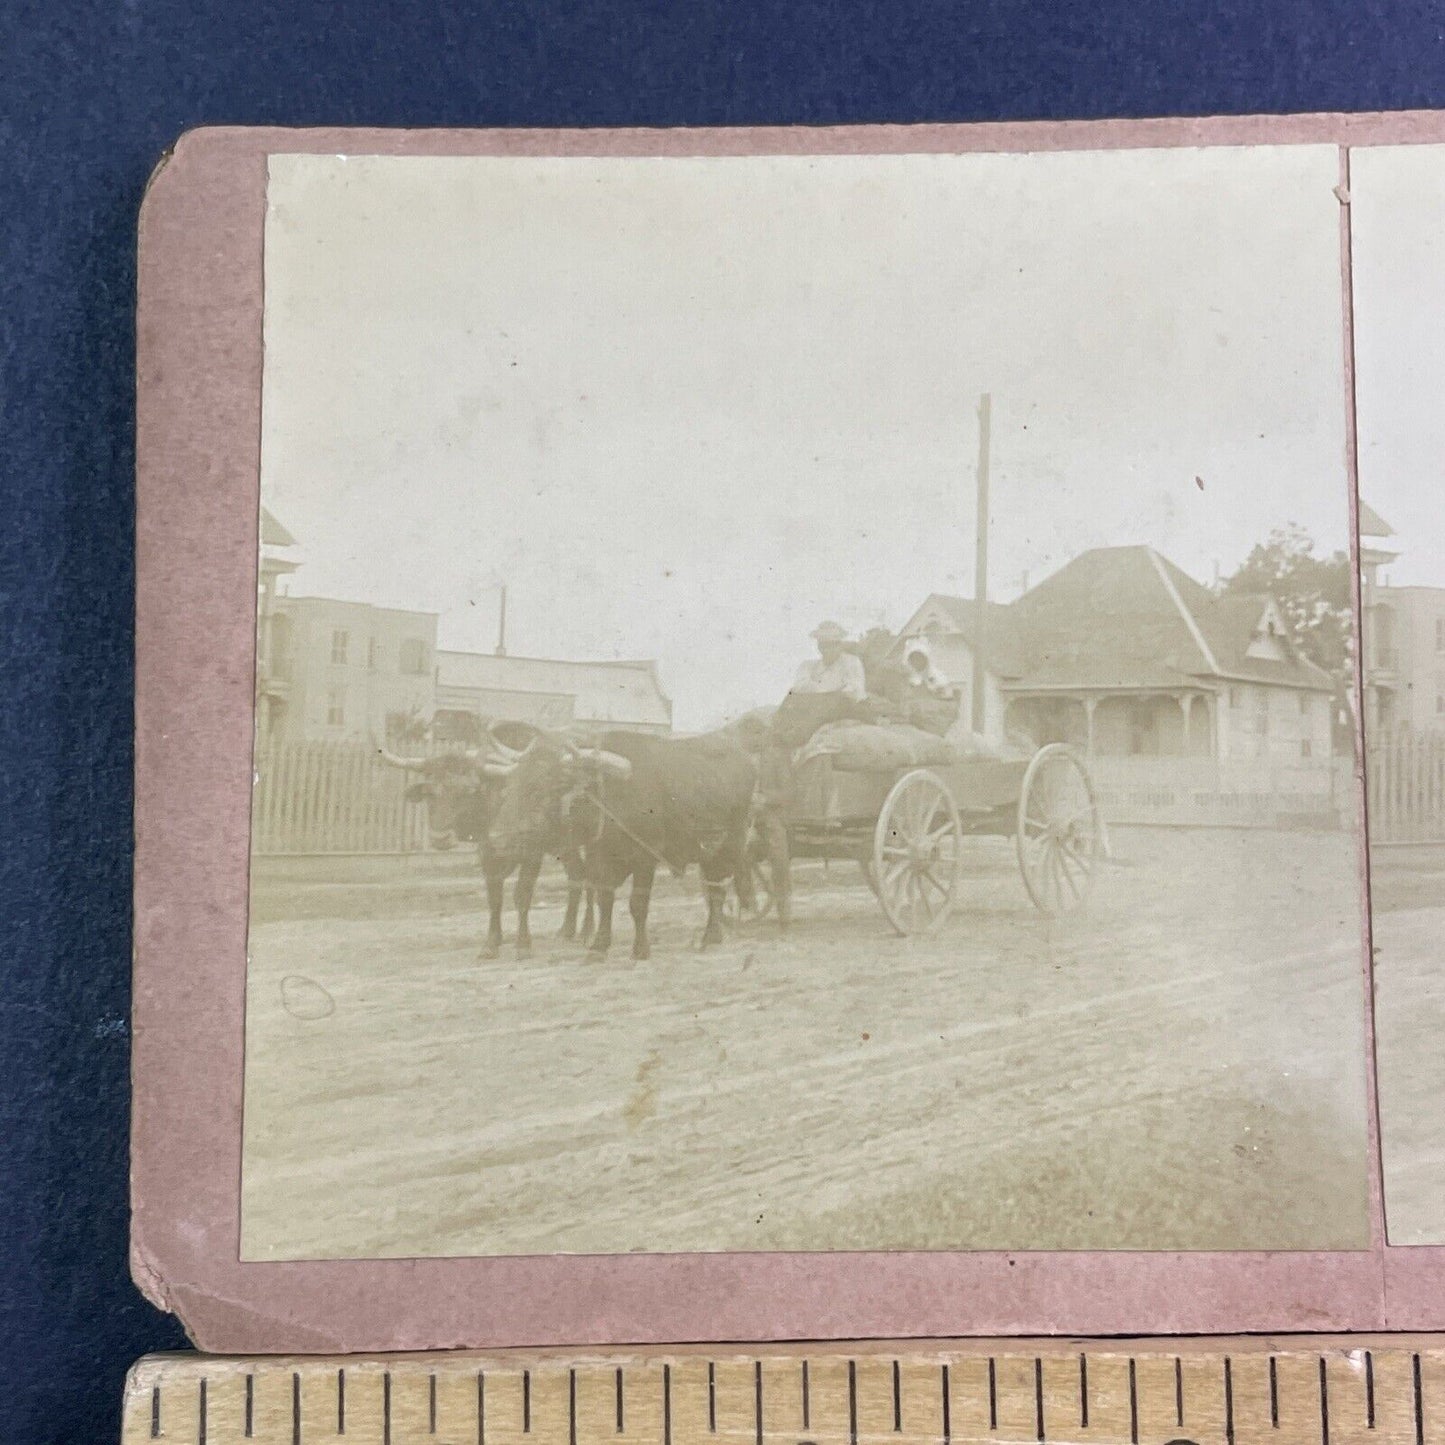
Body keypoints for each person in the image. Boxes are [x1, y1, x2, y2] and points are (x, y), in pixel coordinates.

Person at [789, 620, 866, 702]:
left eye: (833, 644)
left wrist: (818, 688)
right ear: (819, 646)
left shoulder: (851, 662)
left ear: (840, 644)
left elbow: (853, 692)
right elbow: (798, 688)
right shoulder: (808, 666)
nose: (828, 649)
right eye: (824, 645)